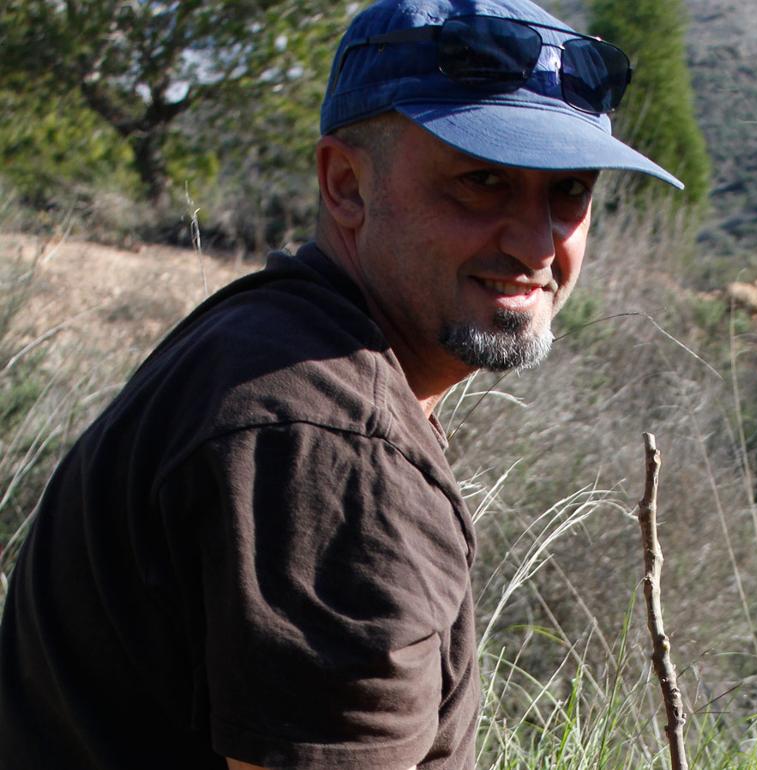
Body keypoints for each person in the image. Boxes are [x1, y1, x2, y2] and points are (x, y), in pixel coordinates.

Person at [0, 0, 681, 766]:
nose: (535, 242)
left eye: (568, 192)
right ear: (345, 185)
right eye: (482, 180)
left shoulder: (268, 349)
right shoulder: (328, 444)